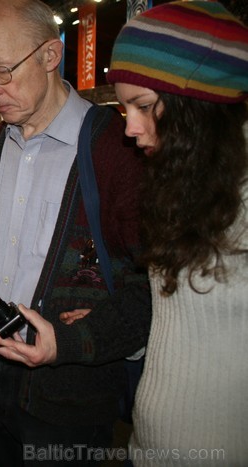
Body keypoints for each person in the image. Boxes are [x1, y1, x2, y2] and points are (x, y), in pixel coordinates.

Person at [0, 0, 151, 465]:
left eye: (2, 71)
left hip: (70, 390)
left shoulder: (117, 150)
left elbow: (151, 288)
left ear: (50, 55)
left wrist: (69, 343)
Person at [106, 2, 248, 464]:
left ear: (200, 107)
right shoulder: (180, 184)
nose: (129, 127)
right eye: (123, 107)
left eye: (144, 106)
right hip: (148, 450)